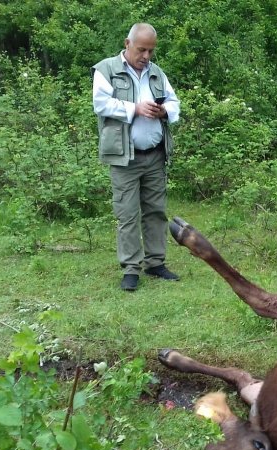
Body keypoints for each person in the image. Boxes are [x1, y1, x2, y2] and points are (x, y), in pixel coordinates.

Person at [92, 23, 181, 292]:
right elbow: (101, 104)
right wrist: (135, 108)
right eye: (142, 49)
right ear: (127, 43)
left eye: (151, 51)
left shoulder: (156, 73)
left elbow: (175, 103)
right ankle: (131, 269)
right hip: (124, 158)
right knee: (127, 214)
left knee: (155, 211)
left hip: (154, 155)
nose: (146, 56)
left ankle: (156, 263)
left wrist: (163, 111)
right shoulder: (106, 69)